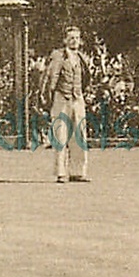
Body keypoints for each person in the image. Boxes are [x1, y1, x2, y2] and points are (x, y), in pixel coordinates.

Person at [39, 26, 90, 183]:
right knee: (60, 135)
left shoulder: (81, 58)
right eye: (71, 38)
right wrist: (47, 97)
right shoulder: (58, 56)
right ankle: (61, 173)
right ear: (65, 40)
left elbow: (86, 77)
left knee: (80, 135)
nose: (74, 41)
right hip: (62, 98)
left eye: (77, 38)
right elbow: (50, 77)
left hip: (78, 98)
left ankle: (77, 172)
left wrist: (83, 93)